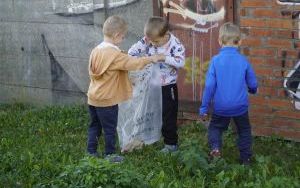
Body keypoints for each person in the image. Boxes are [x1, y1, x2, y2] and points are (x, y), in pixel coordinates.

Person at [86, 15, 165, 162]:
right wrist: (152, 58)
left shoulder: (96, 50)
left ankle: (91, 152)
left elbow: (109, 73)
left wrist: (128, 79)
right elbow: (133, 63)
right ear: (116, 35)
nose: (122, 39)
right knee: (110, 129)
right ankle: (110, 155)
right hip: (107, 101)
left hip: (93, 98)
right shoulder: (114, 54)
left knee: (94, 126)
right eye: (122, 37)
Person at [199, 22, 258, 165]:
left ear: (219, 41)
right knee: (244, 130)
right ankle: (246, 159)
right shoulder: (243, 61)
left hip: (221, 107)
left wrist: (204, 108)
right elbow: (253, 83)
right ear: (240, 42)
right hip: (240, 106)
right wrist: (253, 90)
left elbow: (209, 86)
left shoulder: (215, 61)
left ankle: (216, 148)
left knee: (216, 128)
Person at [128, 17, 185, 153]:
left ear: (166, 35)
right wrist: (145, 60)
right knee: (149, 112)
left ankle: (171, 144)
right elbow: (131, 53)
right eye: (151, 41)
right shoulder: (149, 39)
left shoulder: (175, 44)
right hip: (150, 86)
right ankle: (147, 138)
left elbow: (181, 62)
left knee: (168, 115)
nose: (153, 44)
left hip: (167, 87)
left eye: (156, 42)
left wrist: (162, 57)